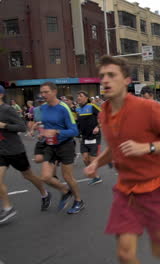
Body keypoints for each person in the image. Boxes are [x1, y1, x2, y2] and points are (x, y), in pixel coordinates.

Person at [84, 56, 160, 263]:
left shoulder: (148, 108)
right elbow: (114, 148)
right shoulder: (104, 113)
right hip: (126, 190)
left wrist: (148, 147)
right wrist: (96, 163)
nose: (105, 80)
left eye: (111, 75)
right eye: (102, 76)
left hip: (157, 187)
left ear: (127, 80)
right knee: (125, 254)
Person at [0, 85, 50, 223]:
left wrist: (4, 126)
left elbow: (21, 127)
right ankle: (7, 208)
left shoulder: (7, 109)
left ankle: (45, 193)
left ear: (1, 95)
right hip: (1, 151)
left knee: (28, 175)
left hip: (15, 150)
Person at [39, 82, 83, 214]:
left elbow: (74, 131)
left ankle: (78, 201)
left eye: (46, 92)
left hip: (65, 145)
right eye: (42, 92)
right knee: (46, 177)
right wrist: (42, 132)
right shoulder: (43, 108)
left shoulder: (64, 108)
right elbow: (47, 126)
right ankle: (65, 191)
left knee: (67, 177)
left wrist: (57, 132)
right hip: (50, 145)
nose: (43, 95)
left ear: (54, 92)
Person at [76, 91, 103, 185]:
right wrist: (78, 134)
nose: (78, 97)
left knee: (92, 159)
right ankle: (94, 174)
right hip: (84, 137)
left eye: (80, 96)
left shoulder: (92, 106)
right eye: (77, 96)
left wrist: (98, 127)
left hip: (94, 136)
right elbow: (78, 123)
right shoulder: (78, 109)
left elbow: (103, 116)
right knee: (85, 159)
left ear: (86, 98)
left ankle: (96, 177)